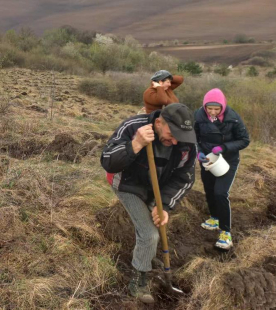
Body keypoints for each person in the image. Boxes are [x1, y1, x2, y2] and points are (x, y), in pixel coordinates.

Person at [101, 103, 197, 304]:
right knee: (150, 233)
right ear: (159, 122)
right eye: (171, 133)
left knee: (157, 222)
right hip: (128, 184)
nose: (175, 140)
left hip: (157, 188)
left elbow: (184, 178)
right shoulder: (132, 126)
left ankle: (147, 256)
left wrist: (164, 205)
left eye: (180, 135)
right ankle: (138, 280)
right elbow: (108, 161)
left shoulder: (186, 142)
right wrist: (135, 144)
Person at [194, 88, 250, 250]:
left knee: (220, 193)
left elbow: (244, 140)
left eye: (216, 109)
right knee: (210, 190)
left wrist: (224, 147)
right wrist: (199, 152)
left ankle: (225, 232)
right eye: (209, 108)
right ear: (204, 107)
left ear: (222, 107)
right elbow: (193, 137)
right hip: (208, 160)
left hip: (227, 160)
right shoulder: (198, 116)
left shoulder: (233, 119)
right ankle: (214, 218)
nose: (212, 112)